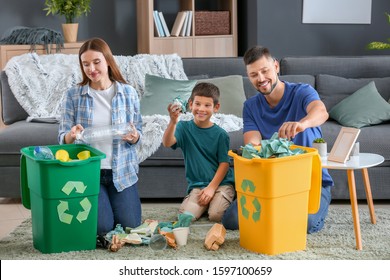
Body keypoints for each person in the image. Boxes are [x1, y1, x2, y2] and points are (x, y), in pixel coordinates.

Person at [222, 46, 334, 233]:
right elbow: (253, 142)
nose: (260, 79)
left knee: (305, 223)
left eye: (265, 71)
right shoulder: (250, 106)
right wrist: (254, 150)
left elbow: (321, 112)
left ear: (276, 66)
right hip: (271, 182)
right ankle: (280, 213)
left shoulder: (301, 92)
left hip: (310, 181)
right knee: (231, 220)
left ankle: (280, 214)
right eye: (253, 75)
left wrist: (302, 124)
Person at [58, 37, 143, 241]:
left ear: (107, 60)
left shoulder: (128, 93)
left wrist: (134, 137)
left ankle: (113, 206)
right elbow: (62, 138)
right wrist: (71, 135)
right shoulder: (73, 95)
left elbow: (138, 133)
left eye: (96, 62)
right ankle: (103, 212)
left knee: (131, 225)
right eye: (86, 64)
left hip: (121, 173)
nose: (91, 68)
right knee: (102, 227)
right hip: (89, 172)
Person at [162, 82, 235, 222]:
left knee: (216, 215)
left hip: (221, 184)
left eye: (207, 105)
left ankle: (220, 199)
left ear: (216, 107)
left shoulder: (221, 135)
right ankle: (205, 203)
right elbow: (167, 143)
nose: (201, 109)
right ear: (190, 104)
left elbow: (224, 164)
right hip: (198, 185)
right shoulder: (183, 127)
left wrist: (211, 189)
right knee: (186, 217)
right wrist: (173, 121)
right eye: (197, 104)